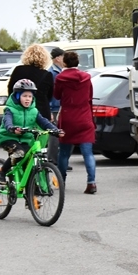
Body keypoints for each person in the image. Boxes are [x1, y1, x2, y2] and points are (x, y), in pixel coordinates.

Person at [0, 79, 61, 185]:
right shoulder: (10, 109)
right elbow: (7, 121)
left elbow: (43, 122)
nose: (27, 99)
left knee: (29, 162)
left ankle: (31, 195)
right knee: (19, 153)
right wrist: (11, 128)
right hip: (8, 137)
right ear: (17, 96)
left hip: (25, 139)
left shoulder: (34, 111)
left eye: (30, 96)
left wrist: (55, 130)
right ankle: (1, 172)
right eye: (24, 96)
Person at [52, 51, 97, 193]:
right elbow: (90, 95)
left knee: (64, 152)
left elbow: (57, 95)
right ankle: (91, 183)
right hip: (84, 117)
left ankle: (62, 181)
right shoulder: (86, 77)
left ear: (64, 62)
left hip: (68, 117)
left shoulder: (60, 78)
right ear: (77, 62)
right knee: (88, 153)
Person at [7, 44, 55, 119]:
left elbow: (11, 90)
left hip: (20, 111)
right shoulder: (47, 74)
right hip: (41, 111)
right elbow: (49, 96)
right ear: (45, 58)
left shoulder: (18, 70)